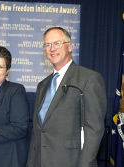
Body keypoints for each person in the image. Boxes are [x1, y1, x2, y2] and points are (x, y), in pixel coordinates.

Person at [27, 27, 107, 167]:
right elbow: (38, 131)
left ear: (69, 46)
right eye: (47, 44)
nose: (52, 48)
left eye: (57, 43)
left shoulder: (89, 78)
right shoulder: (42, 85)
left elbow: (94, 130)